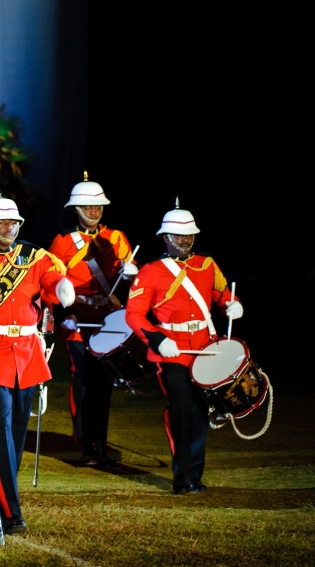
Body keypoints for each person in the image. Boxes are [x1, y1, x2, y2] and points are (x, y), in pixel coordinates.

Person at [0, 197, 75, 533]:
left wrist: (61, 286)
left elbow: (50, 280)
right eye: (3, 223)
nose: (10, 228)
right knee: (2, 432)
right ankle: (11, 513)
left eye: (14, 223)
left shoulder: (33, 258)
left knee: (18, 432)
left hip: (27, 351)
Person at [125, 201, 241, 495]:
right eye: (178, 236)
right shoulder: (151, 271)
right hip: (172, 349)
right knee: (182, 407)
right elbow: (134, 314)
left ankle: (195, 476)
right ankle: (182, 476)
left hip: (205, 347)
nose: (185, 240)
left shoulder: (207, 265)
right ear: (165, 238)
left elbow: (222, 295)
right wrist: (156, 339)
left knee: (200, 410)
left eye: (189, 235)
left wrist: (232, 304)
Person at [47, 173, 137, 465]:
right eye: (87, 207)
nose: (93, 212)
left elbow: (128, 280)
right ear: (76, 209)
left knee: (105, 382)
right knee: (84, 379)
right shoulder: (62, 242)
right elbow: (51, 282)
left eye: (97, 207)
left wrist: (129, 276)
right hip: (78, 320)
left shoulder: (117, 238)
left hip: (108, 320)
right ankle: (86, 443)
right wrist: (65, 314)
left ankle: (101, 445)